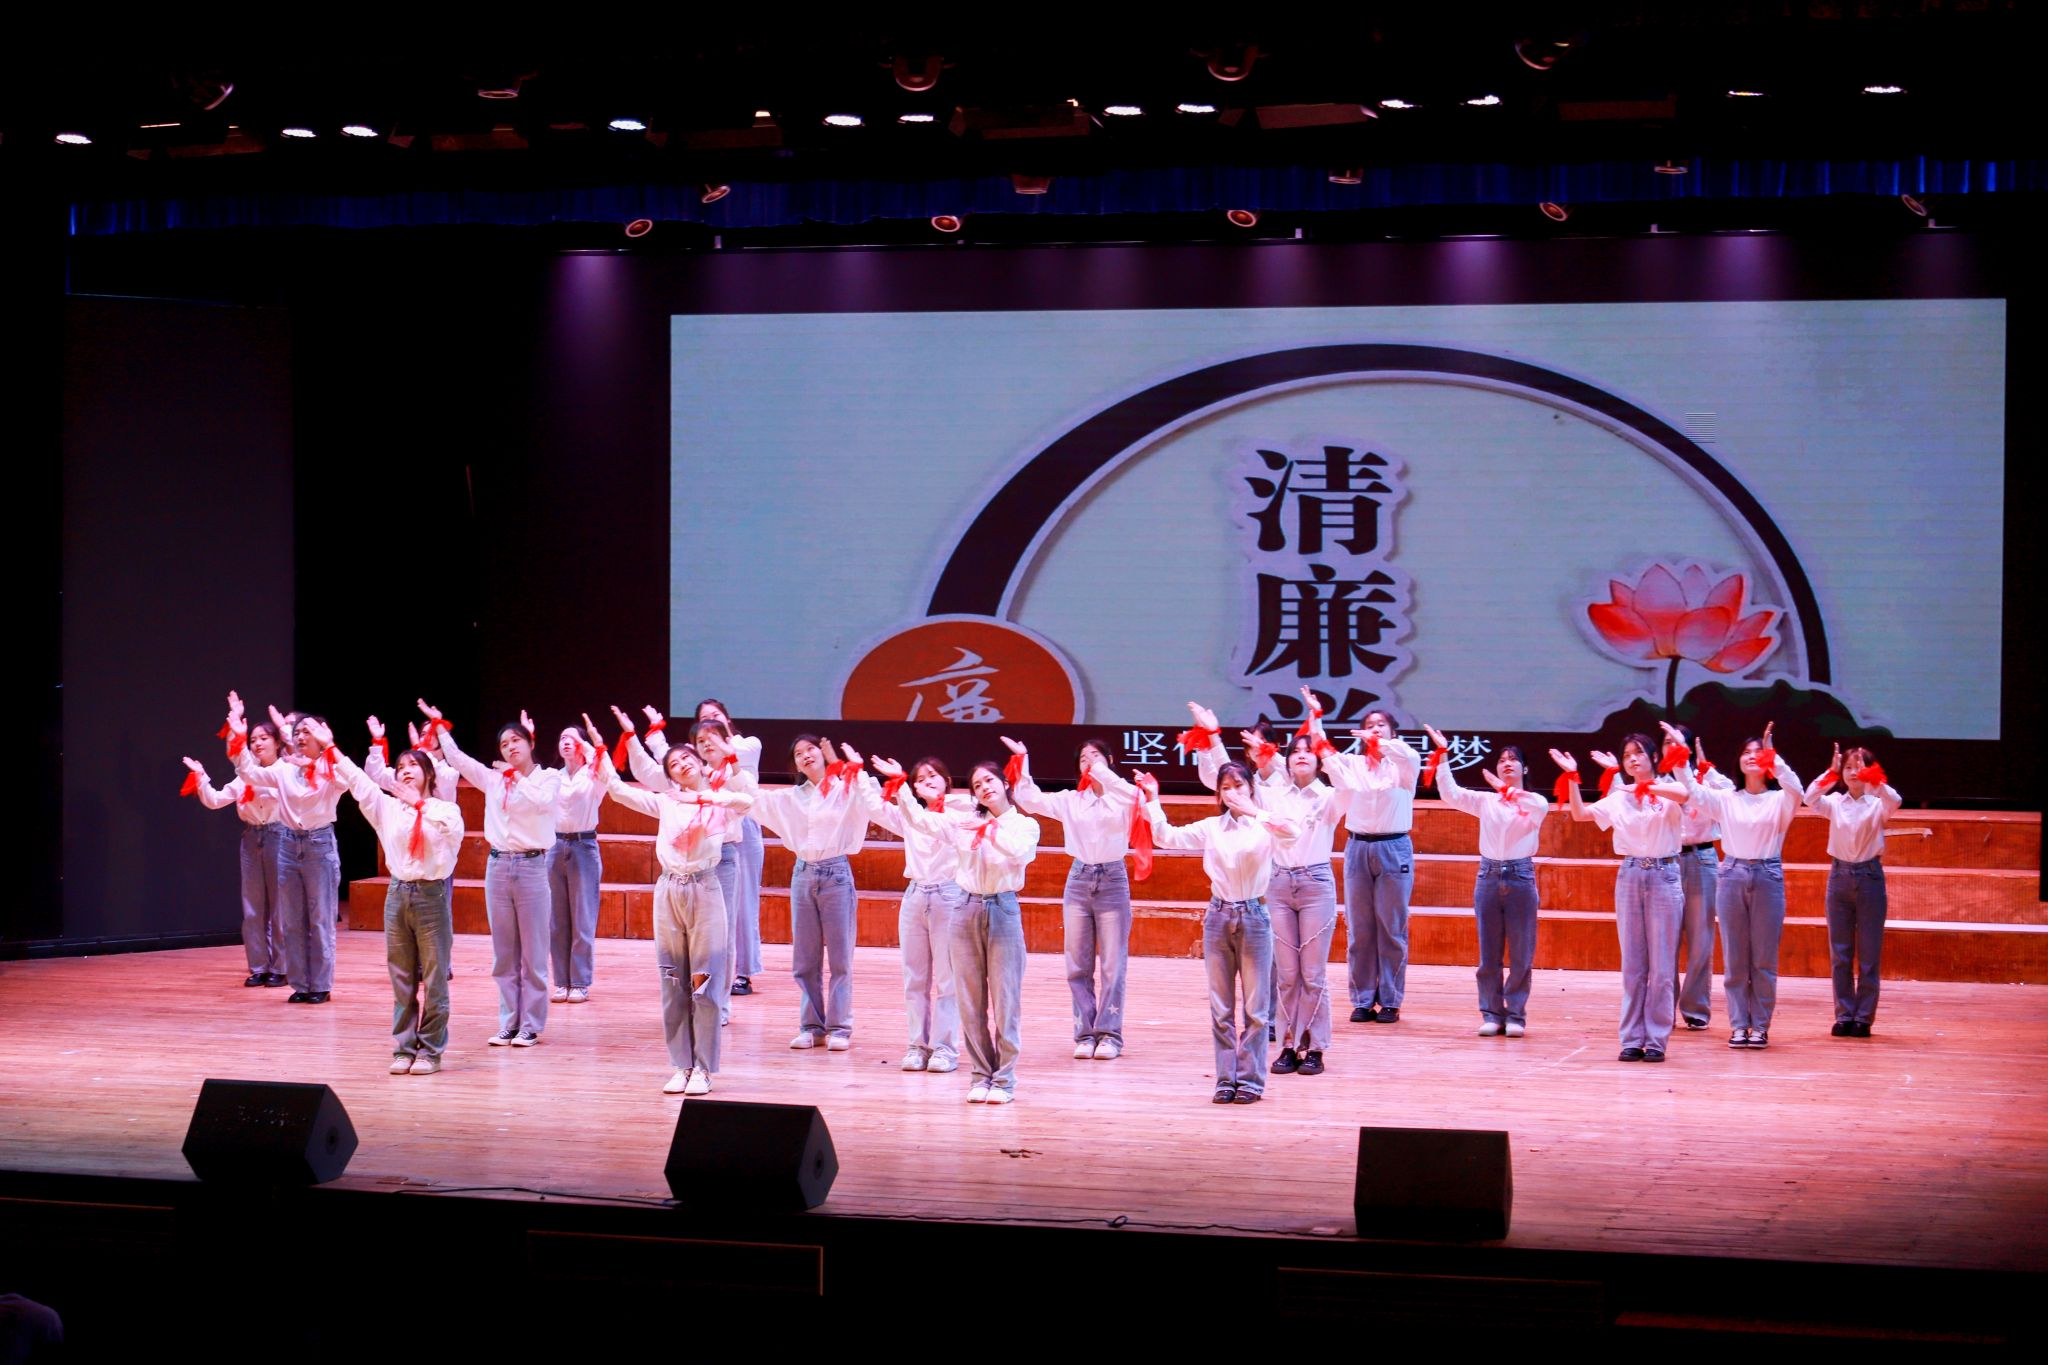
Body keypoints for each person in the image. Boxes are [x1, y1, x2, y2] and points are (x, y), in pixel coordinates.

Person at [591, 716, 753, 1094]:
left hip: (705, 887)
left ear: (699, 762)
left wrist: (708, 795)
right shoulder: (666, 802)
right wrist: (599, 750)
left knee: (704, 980)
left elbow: (747, 799)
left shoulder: (718, 799)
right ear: (671, 775)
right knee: (672, 980)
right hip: (669, 890)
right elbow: (618, 791)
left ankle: (704, 1068)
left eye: (686, 759)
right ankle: (682, 1064)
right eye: (674, 764)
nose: (681, 765)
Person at [1140, 763, 1296, 1104]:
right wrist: (1152, 799)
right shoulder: (1212, 827)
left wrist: (1254, 811)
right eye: (1226, 787)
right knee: (1221, 1008)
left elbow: (1292, 833)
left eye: (1239, 785)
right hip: (1219, 916)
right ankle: (1226, 1079)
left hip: (1254, 915)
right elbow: (1166, 837)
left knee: (1256, 1010)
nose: (1233, 792)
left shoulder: (1264, 823)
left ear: (1251, 788)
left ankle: (1251, 1081)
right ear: (1219, 794)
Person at [887, 758, 1040, 1103]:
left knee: (1005, 1000)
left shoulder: (1024, 825)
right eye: (977, 785)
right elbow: (920, 821)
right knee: (970, 1000)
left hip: (1002, 908)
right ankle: (980, 1075)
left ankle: (1004, 1079)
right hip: (964, 906)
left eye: (989, 780)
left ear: (1004, 783)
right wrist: (902, 786)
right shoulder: (963, 822)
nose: (985, 787)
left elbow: (1020, 854)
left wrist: (990, 831)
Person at [317, 722, 464, 1075]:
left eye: (413, 765)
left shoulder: (446, 809)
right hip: (398, 894)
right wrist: (330, 747)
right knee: (401, 978)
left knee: (435, 979)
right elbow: (358, 781)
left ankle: (430, 1051)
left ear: (429, 774)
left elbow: (452, 833)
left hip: (431, 895)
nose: (405, 770)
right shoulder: (388, 808)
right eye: (399, 767)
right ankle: (404, 1048)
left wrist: (420, 805)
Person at [420, 699, 561, 1048]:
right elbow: (457, 759)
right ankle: (508, 1022)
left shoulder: (548, 778)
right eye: (504, 744)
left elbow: (543, 803)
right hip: (498, 866)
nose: (510, 747)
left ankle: (531, 1024)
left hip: (531, 865)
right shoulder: (493, 779)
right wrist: (439, 726)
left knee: (533, 952)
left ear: (530, 743)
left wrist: (516, 777)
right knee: (504, 953)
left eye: (516, 740)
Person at [1552, 725, 1692, 1062]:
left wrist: (1652, 781)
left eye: (1639, 753)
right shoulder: (1620, 796)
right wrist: (1572, 777)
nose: (1632, 760)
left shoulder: (1669, 789)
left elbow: (1686, 793)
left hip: (1664, 874)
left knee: (1662, 966)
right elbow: (1581, 814)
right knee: (1633, 963)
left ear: (1653, 757)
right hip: (1630, 874)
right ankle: (1631, 1038)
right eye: (1627, 756)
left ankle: (1656, 1040)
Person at [1004, 735, 1144, 1061]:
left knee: (1113, 964)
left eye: (1096, 756)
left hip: (1112, 879)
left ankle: (1110, 1035)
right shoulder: (1071, 800)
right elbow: (1029, 798)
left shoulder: (1122, 797)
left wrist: (1104, 775)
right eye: (1083, 758)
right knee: (1077, 965)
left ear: (1109, 761)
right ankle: (1085, 1033)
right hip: (1080, 879)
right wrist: (1022, 759)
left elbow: (1137, 798)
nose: (1089, 762)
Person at [1674, 725, 1801, 1048]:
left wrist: (1774, 754)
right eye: (1746, 752)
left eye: (1759, 752)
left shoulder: (1779, 799)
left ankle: (1760, 1025)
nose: (1752, 757)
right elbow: (1691, 789)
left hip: (1767, 875)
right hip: (1732, 874)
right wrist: (1680, 753)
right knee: (1735, 958)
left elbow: (1796, 788)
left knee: (1763, 959)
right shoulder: (1727, 798)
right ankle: (1739, 1024)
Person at [747, 735, 873, 1050]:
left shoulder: (845, 789)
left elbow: (866, 794)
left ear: (823, 753)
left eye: (811, 749)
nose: (806, 755)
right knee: (805, 958)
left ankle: (840, 1028)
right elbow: (753, 799)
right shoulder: (792, 797)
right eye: (799, 753)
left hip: (836, 873)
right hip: (803, 873)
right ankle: (811, 1026)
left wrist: (838, 764)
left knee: (840, 957)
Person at [224, 692, 347, 1004]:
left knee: (319, 919)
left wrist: (328, 751)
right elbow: (250, 773)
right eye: (298, 732)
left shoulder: (332, 769)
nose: (301, 736)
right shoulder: (283, 769)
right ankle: (300, 984)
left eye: (308, 731)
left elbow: (348, 780)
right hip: (289, 844)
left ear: (322, 736)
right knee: (291, 919)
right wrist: (239, 739)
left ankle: (320, 985)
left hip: (318, 844)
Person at [1427, 725, 1548, 1038]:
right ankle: (1492, 1013)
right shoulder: (1486, 801)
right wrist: (1443, 754)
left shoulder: (1534, 801)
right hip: (1489, 875)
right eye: (1502, 760)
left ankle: (1516, 1015)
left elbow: (1536, 808)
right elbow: (1451, 794)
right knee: (1488, 954)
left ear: (1524, 769)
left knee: (1521, 954)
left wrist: (1507, 791)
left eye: (1513, 760)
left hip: (1520, 876)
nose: (1506, 764)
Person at [1310, 706, 1422, 1025]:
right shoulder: (1353, 765)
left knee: (1391, 928)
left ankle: (1390, 1000)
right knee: (1359, 929)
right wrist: (1315, 715)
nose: (1375, 729)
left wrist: (1381, 744)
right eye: (1370, 725)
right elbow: (1324, 751)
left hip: (1393, 847)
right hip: (1358, 846)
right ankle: (1362, 999)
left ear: (1392, 733)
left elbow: (1409, 755)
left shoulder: (1403, 765)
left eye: (1381, 725)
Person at [860, 755, 972, 1074]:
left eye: (933, 775)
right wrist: (860, 773)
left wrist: (907, 788)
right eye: (920, 778)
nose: (927, 781)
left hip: (948, 895)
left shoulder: (962, 811)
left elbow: (944, 819)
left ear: (947, 781)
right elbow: (876, 808)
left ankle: (945, 1048)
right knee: (915, 978)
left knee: (948, 979)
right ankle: (917, 1045)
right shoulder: (911, 814)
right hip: (915, 895)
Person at [1261, 728, 1349, 1075]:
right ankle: (1287, 1045)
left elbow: (1349, 787)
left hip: (1315, 883)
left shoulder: (1328, 796)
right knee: (1286, 974)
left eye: (1308, 751)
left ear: (1318, 760)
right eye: (1295, 750)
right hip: (1279, 883)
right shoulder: (1274, 795)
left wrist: (1323, 742)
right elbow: (1228, 785)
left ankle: (1314, 1047)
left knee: (1312, 974)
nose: (1300, 754)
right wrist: (1211, 740)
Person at [1806, 743, 1902, 1038]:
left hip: (1870, 877)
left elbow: (1896, 800)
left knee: (1869, 954)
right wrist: (1831, 772)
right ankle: (1844, 1014)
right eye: (1848, 767)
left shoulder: (1878, 804)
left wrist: (1875, 779)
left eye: (1859, 767)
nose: (1853, 772)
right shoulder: (1835, 802)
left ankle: (1863, 1018)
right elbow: (1810, 798)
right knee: (1841, 953)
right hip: (1840, 877)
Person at [181, 719, 286, 987]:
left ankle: (281, 967)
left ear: (277, 742)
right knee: (252, 909)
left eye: (264, 738)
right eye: (253, 740)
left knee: (280, 907)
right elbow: (216, 800)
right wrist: (201, 776)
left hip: (279, 835)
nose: (258, 743)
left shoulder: (285, 770)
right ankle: (259, 967)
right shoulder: (244, 777)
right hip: (252, 838)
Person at [1673, 726, 1735, 1030]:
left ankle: (1696, 1007)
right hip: (1667, 859)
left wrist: (1706, 767)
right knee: (1664, 939)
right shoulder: (1659, 780)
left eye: (1679, 742)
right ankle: (1662, 1007)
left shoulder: (1706, 781)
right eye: (1668, 742)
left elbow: (1731, 793)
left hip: (1702, 857)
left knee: (1701, 937)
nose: (1674, 747)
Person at [546, 726, 607, 1005]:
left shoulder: (594, 775)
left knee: (583, 918)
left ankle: (580, 982)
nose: (566, 742)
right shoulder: (552, 777)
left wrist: (590, 746)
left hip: (583, 845)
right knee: (557, 920)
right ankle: (562, 981)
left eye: (573, 738)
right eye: (562, 738)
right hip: (555, 845)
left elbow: (604, 763)